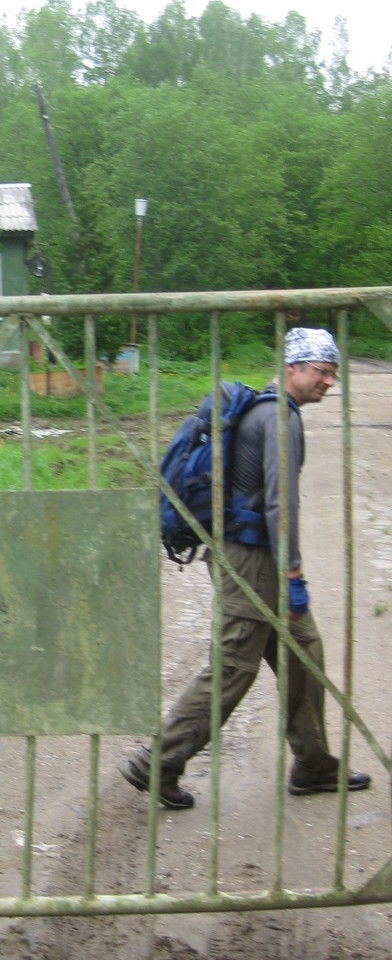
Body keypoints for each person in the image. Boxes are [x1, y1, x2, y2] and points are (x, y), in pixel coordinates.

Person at [122, 327, 371, 809]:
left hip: (255, 556)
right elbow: (281, 504)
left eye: (333, 374)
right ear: (293, 368)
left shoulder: (267, 410)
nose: (328, 382)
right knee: (234, 668)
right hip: (250, 561)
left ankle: (313, 763)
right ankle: (159, 762)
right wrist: (293, 573)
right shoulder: (279, 418)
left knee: (304, 650)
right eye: (322, 372)